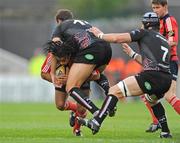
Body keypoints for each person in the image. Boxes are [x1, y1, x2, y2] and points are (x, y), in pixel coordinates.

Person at [78, 12, 173, 138]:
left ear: (147, 24)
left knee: (114, 90)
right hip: (166, 79)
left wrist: (100, 35)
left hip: (152, 76)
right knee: (152, 100)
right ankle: (165, 132)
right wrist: (132, 54)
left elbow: (118, 38)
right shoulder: (164, 40)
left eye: (142, 23)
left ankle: (96, 122)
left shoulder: (144, 33)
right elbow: (151, 62)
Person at [140, 0, 179, 132]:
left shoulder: (169, 20)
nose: (155, 10)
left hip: (169, 61)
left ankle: (158, 123)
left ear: (165, 7)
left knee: (169, 96)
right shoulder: (157, 22)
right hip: (158, 62)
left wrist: (156, 44)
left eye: (157, 7)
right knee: (147, 93)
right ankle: (157, 122)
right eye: (153, 7)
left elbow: (173, 42)